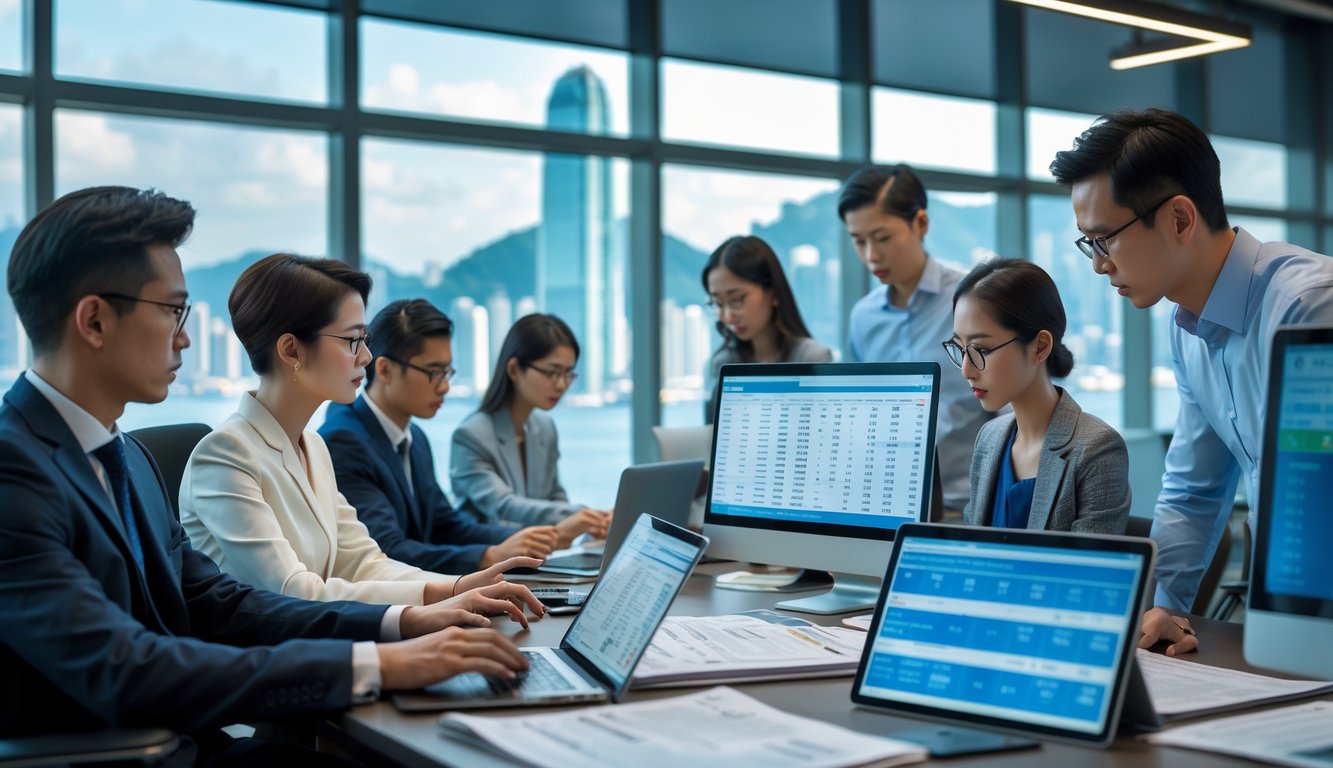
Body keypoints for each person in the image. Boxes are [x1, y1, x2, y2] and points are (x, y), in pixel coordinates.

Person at [0, 187, 536, 762]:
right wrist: (378, 659)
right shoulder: (14, 473)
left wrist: (403, 624)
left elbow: (225, 604)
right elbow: (126, 669)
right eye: (173, 311)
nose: (183, 336)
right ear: (95, 320)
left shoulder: (128, 458)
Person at [1050, 107, 1333, 655]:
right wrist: (1166, 606)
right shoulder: (1189, 328)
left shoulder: (1309, 307)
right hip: (1297, 613)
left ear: (1180, 218)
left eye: (1104, 239)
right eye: (1089, 244)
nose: (1098, 264)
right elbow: (1194, 488)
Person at [180, 254, 539, 606]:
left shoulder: (314, 447)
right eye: (352, 340)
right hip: (266, 659)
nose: (365, 356)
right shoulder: (225, 455)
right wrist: (428, 610)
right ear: (291, 350)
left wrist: (460, 587)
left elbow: (363, 563)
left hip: (321, 643)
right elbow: (291, 591)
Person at [320, 299, 562, 573]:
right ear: (385, 369)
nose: (445, 386)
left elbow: (445, 524)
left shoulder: (415, 437)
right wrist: (490, 556)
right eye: (434, 372)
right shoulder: (344, 440)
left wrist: (521, 541)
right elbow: (386, 550)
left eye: (448, 371)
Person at [839, 164, 991, 511]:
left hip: (965, 509)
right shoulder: (863, 318)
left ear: (920, 224)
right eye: (858, 241)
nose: (871, 256)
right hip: (885, 509)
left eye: (882, 238)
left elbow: (1008, 413)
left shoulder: (972, 299)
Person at [950, 259, 1130, 534]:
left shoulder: (1096, 449)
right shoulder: (988, 438)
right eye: (960, 348)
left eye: (981, 350)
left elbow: (1087, 573)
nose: (966, 370)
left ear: (1040, 347)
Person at [451, 314, 611, 541]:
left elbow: (554, 496)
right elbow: (503, 505)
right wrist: (581, 515)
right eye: (552, 372)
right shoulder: (471, 435)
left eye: (568, 373)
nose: (561, 384)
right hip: (489, 565)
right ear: (515, 369)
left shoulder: (544, 427)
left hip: (540, 561)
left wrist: (590, 525)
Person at [701, 235, 833, 422]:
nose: (727, 316)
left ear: (773, 294)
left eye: (737, 300)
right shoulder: (723, 363)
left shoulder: (811, 358)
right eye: (718, 303)